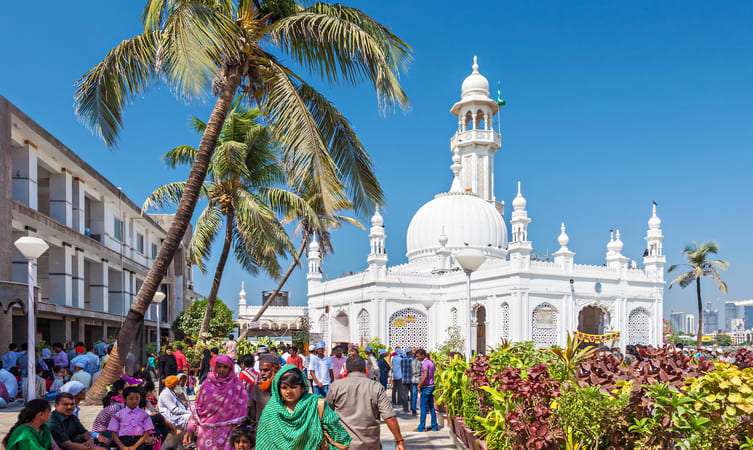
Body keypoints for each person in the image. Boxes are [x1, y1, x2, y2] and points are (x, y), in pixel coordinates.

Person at [255, 365, 351, 450]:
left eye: (293, 387)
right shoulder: (272, 410)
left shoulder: (316, 405)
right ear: (278, 389)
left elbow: (341, 437)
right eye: (284, 388)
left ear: (302, 387)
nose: (288, 391)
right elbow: (264, 442)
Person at [327, 356, 406, 450]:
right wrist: (399, 441)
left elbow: (326, 414)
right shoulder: (376, 387)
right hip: (370, 444)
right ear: (365, 369)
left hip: (343, 444)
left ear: (346, 370)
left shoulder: (336, 386)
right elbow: (389, 417)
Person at [184, 355, 248, 450]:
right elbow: (198, 407)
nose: (222, 369)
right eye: (219, 366)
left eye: (225, 367)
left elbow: (242, 408)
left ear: (230, 368)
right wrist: (190, 429)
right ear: (215, 367)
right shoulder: (207, 384)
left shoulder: (237, 386)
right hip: (206, 433)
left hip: (228, 432)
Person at [247, 353, 280, 433]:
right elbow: (251, 414)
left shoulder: (283, 388)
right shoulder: (256, 388)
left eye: (266, 370)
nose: (262, 373)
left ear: (276, 370)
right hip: (262, 433)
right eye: (260, 370)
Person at [91, 379, 127, 446]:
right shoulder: (116, 405)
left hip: (107, 430)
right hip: (102, 433)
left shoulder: (118, 402)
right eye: (127, 388)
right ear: (120, 391)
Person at [415, 348, 439, 432]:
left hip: (426, 387)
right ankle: (434, 426)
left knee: (423, 407)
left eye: (418, 356)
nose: (416, 358)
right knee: (431, 407)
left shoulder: (425, 364)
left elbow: (425, 376)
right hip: (431, 386)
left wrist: (419, 385)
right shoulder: (431, 362)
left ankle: (421, 427)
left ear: (423, 355)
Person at [409, 351, 421, 416]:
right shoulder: (420, 362)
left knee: (414, 395)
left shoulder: (412, 362)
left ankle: (413, 410)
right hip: (419, 379)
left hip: (413, 379)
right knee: (422, 395)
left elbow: (410, 371)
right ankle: (425, 409)